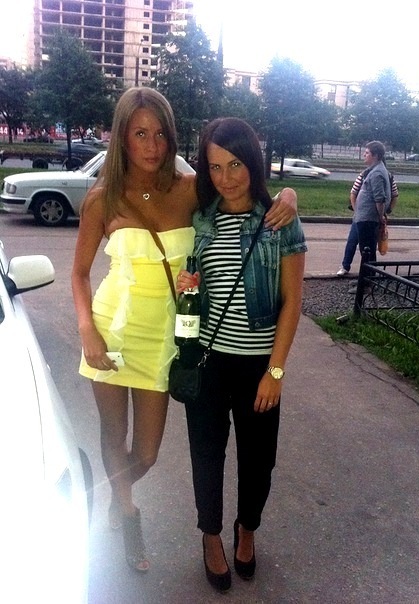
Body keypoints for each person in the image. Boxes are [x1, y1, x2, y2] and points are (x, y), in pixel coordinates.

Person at [71, 88, 298, 573]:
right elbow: (79, 274)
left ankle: (118, 489)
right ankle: (126, 511)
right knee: (114, 434)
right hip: (112, 330)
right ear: (122, 138)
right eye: (140, 134)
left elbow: (242, 186)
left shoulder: (192, 188)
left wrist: (288, 196)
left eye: (160, 134)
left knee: (147, 452)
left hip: (166, 340)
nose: (152, 146)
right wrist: (87, 328)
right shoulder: (101, 199)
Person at [177, 117, 307, 592]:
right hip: (208, 361)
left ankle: (246, 528)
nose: (226, 177)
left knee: (258, 460)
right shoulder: (202, 218)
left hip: (258, 367)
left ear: (252, 161)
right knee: (206, 454)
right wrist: (189, 286)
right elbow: (200, 288)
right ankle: (211, 535)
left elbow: (292, 301)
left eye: (235, 164)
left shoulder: (279, 219)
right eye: (215, 167)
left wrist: (276, 371)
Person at [336, 167, 399, 276]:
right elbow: (353, 193)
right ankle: (347, 266)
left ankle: (367, 272)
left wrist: (386, 211)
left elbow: (394, 195)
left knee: (367, 245)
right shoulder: (365, 174)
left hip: (372, 217)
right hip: (363, 215)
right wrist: (357, 211)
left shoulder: (387, 176)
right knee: (354, 241)